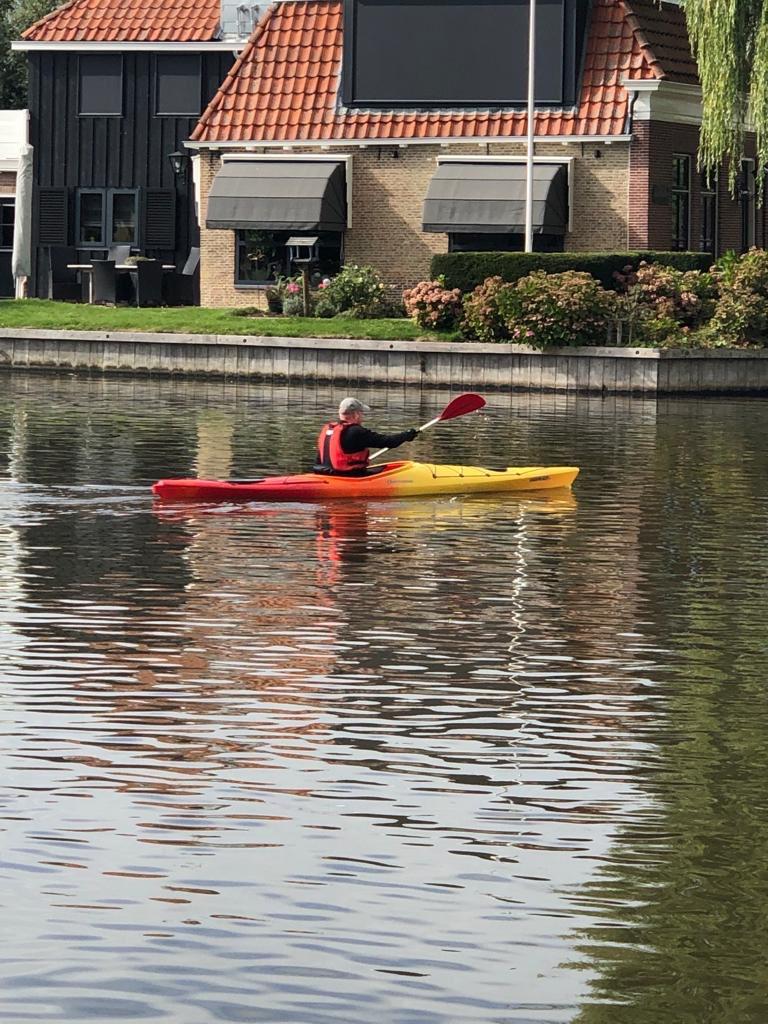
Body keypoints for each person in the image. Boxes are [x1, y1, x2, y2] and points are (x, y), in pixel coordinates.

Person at [315, 398, 419, 475]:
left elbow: (319, 458)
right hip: (347, 476)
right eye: (362, 413)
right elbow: (389, 442)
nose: (362, 417)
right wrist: (407, 435)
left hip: (323, 472)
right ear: (356, 414)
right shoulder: (357, 432)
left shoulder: (327, 429)